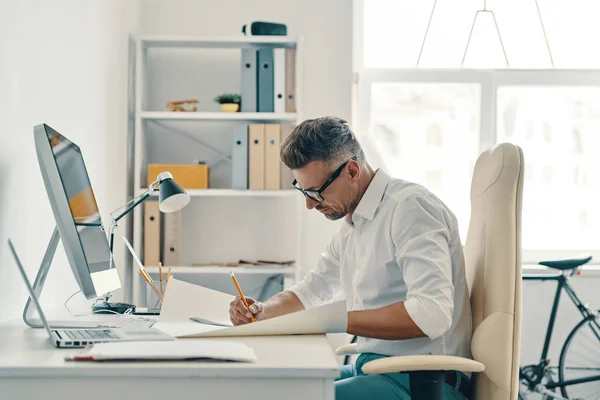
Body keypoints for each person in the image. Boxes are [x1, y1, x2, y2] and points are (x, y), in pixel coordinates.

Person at [229, 116, 472, 400]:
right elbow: (311, 291)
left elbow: (432, 314)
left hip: (426, 383)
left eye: (316, 192)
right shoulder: (353, 225)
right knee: (282, 388)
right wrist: (260, 311)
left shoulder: (410, 209)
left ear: (352, 171)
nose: (309, 204)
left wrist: (338, 319)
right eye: (302, 190)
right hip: (378, 370)